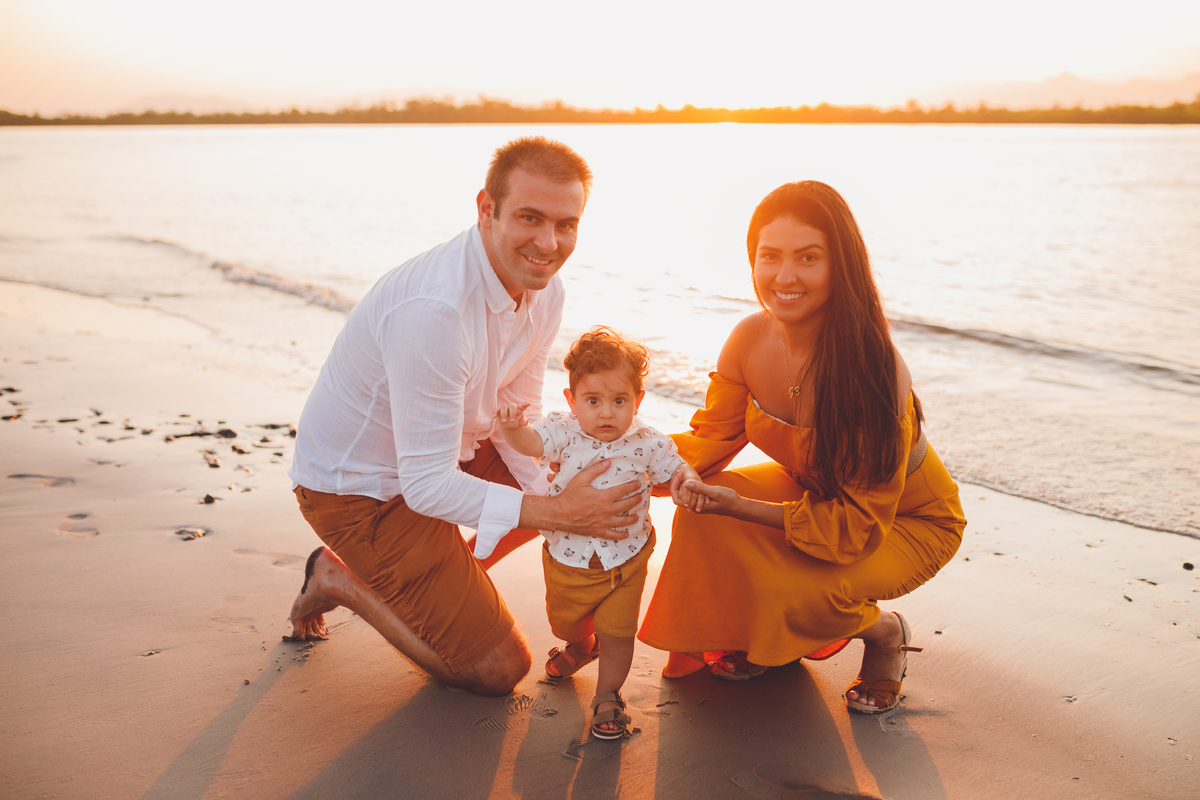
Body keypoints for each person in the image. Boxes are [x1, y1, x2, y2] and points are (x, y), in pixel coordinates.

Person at [286, 137, 642, 697]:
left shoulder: (544, 290)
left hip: (453, 451)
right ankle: (340, 578)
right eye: (530, 218)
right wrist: (559, 514)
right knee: (499, 668)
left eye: (566, 224)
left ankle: (438, 576)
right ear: (486, 209)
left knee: (594, 479)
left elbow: (520, 412)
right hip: (362, 493)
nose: (549, 243)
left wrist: (564, 496)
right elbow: (425, 486)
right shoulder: (436, 312)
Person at [638, 180, 967, 714]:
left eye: (808, 257)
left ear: (841, 265)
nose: (784, 277)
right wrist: (611, 452)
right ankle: (766, 643)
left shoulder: (873, 371)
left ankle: (884, 634)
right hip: (812, 494)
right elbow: (708, 441)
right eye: (770, 256)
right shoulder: (748, 339)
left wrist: (745, 508)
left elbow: (857, 528)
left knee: (802, 586)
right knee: (704, 504)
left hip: (901, 522)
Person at [494, 326, 700, 738]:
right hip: (568, 559)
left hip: (627, 559)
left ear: (638, 401)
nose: (607, 413)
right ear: (572, 401)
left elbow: (676, 468)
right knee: (565, 623)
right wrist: (514, 427)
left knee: (619, 634)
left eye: (619, 401)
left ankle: (608, 696)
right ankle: (582, 645)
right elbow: (530, 444)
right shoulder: (563, 431)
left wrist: (687, 482)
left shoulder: (647, 441)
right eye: (593, 401)